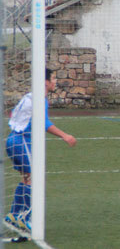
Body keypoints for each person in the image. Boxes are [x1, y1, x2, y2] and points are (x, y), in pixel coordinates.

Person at [4, 68, 77, 232]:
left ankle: (14, 215)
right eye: (53, 78)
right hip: (21, 141)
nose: (55, 82)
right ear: (45, 82)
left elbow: (13, 114)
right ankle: (26, 217)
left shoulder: (30, 96)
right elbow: (44, 123)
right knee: (34, 179)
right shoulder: (39, 99)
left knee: (27, 178)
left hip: (13, 140)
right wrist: (65, 136)